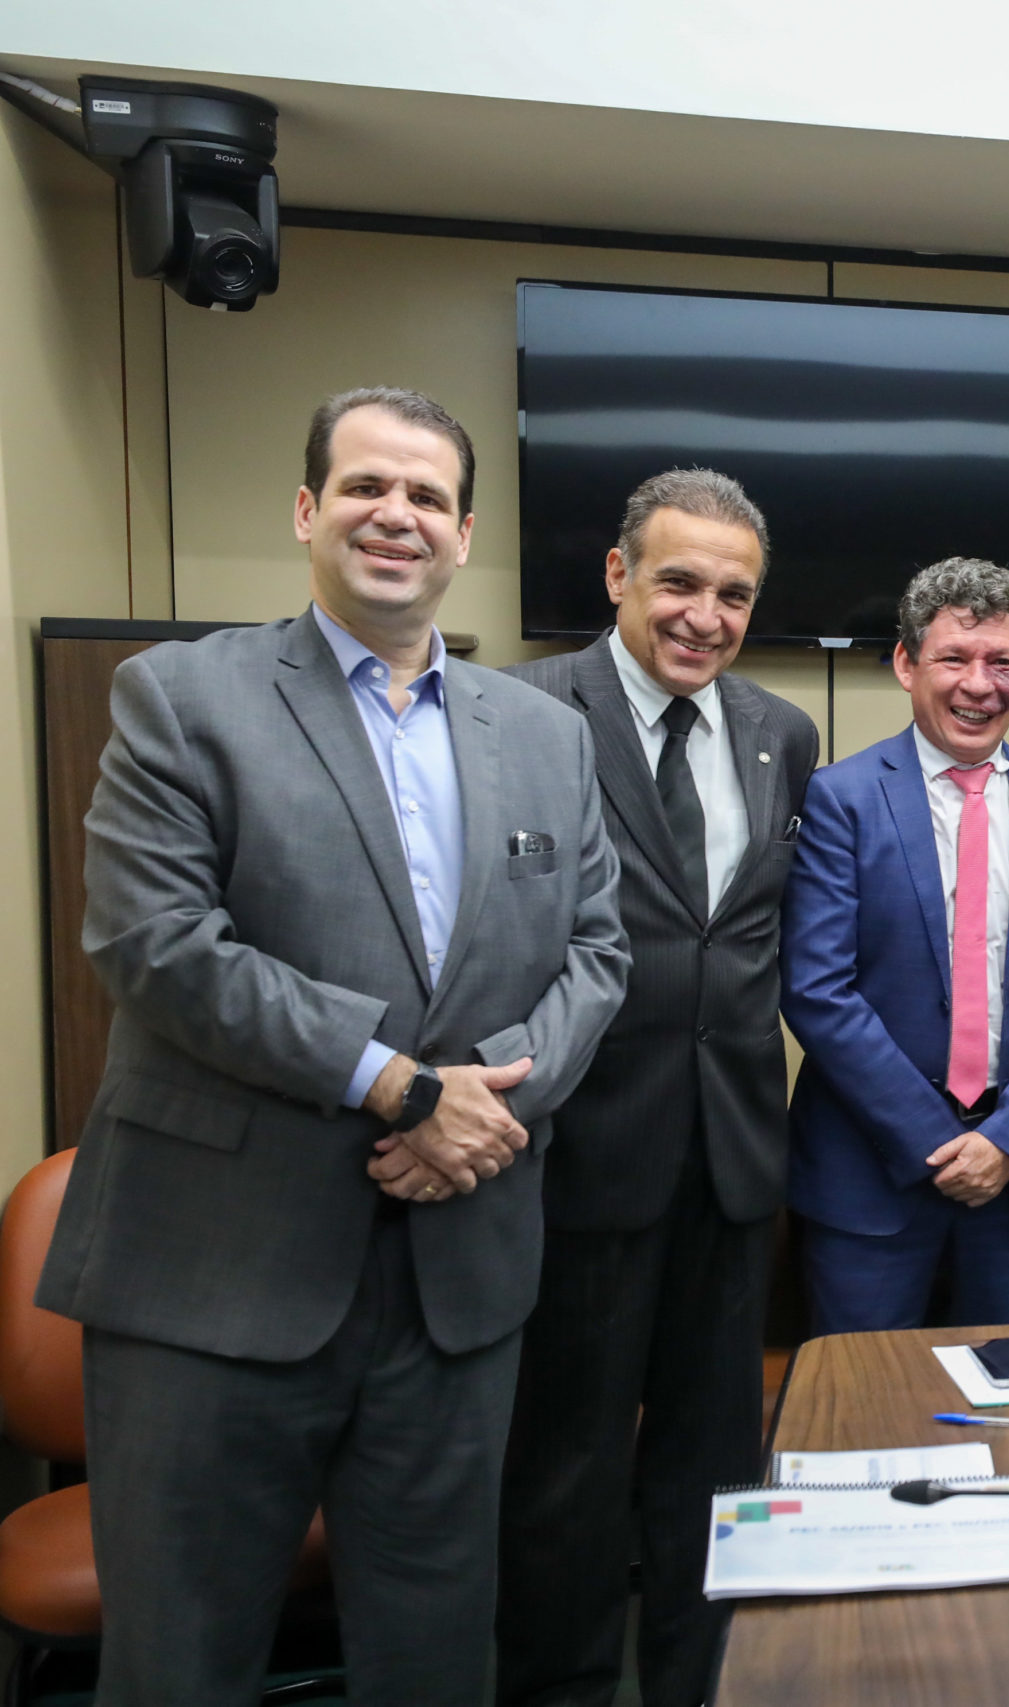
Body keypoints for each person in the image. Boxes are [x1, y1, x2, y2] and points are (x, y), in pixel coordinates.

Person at [40, 387, 628, 1705]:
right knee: (181, 1665)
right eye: (367, 485)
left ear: (464, 532)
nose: (396, 515)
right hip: (215, 1282)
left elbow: (599, 954)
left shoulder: (543, 733)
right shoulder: (182, 697)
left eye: (427, 496)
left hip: (455, 1285)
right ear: (308, 510)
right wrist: (404, 1085)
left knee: (433, 1664)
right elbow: (156, 944)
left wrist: (481, 1110)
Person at [496, 470, 819, 1707]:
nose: (705, 614)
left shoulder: (776, 733)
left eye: (733, 594)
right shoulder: (521, 712)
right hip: (579, 1157)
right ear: (619, 575)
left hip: (732, 1160)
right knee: (567, 1472)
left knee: (714, 1465)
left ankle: (703, 1682)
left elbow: (753, 937)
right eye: (679, 581)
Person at [782, 559, 1009, 1330]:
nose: (979, 683)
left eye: (1001, 662)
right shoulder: (842, 798)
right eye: (954, 658)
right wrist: (940, 1142)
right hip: (870, 1181)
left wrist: (1008, 1139)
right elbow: (818, 989)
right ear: (906, 663)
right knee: (863, 1416)